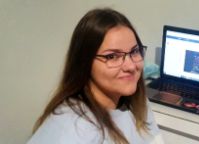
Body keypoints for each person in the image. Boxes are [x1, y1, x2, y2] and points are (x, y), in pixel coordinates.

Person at [27, 8, 164, 144]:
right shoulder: (74, 128)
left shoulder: (137, 102)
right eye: (112, 56)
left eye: (134, 51)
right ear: (84, 62)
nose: (131, 66)